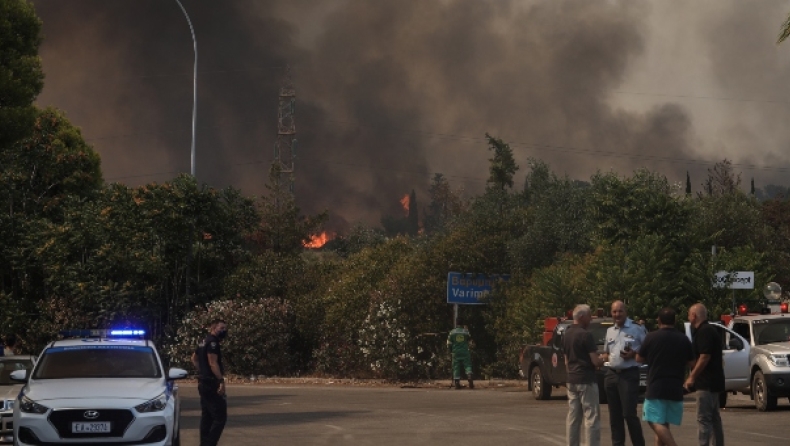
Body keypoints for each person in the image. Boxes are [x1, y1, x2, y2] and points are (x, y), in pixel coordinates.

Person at [637, 307, 694, 446]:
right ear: (675, 321)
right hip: (675, 387)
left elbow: (639, 358)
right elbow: (692, 362)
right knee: (664, 423)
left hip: (656, 386)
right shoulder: (683, 338)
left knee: (653, 421)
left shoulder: (651, 337)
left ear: (659, 320)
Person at [602, 300, 646, 446]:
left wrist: (633, 354)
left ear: (625, 312)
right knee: (614, 416)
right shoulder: (609, 331)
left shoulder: (637, 329)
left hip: (629, 374)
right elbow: (607, 353)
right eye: (614, 312)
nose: (617, 314)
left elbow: (647, 351)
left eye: (620, 311)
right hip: (612, 374)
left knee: (629, 413)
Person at [563, 304, 605, 446]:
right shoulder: (585, 335)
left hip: (571, 379)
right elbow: (595, 361)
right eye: (589, 316)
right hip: (586, 379)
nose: (591, 319)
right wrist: (603, 359)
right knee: (591, 417)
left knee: (573, 418)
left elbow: (566, 360)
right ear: (581, 317)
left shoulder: (567, 333)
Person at [685, 303, 725, 446]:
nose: (688, 318)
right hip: (713, 382)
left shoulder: (704, 331)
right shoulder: (709, 330)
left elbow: (705, 356)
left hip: (706, 383)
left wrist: (692, 377)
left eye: (689, 314)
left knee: (704, 419)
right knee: (714, 418)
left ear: (694, 316)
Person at [191, 319, 229, 446]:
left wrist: (202, 372)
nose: (224, 331)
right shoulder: (213, 343)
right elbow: (213, 363)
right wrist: (220, 380)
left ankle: (204, 443)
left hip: (203, 382)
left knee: (207, 416)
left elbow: (194, 359)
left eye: (225, 328)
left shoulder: (203, 341)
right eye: (221, 328)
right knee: (220, 418)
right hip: (211, 384)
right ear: (213, 328)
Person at [447, 319, 474, 389]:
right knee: (467, 365)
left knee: (456, 366)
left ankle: (456, 382)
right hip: (465, 351)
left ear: (456, 324)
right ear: (462, 324)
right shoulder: (465, 332)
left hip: (456, 352)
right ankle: (469, 375)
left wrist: (450, 351)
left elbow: (448, 344)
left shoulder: (452, 332)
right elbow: (470, 340)